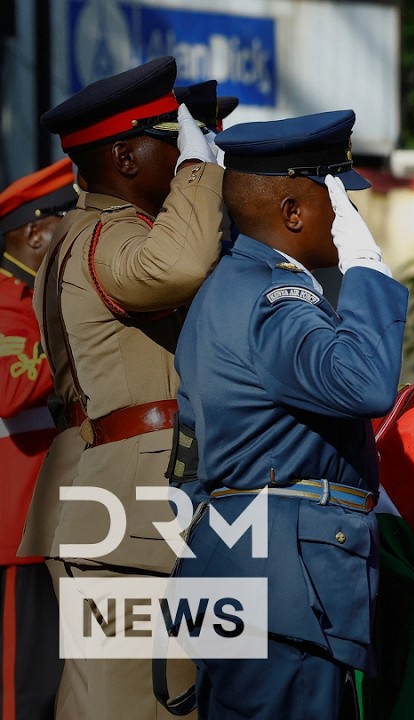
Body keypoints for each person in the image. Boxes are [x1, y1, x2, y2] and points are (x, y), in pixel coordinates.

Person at [168, 110, 407, 719]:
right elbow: (366, 384)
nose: (351, 220)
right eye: (341, 204)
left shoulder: (228, 287)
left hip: (244, 569)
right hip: (289, 588)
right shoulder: (278, 298)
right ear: (294, 212)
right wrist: (368, 270)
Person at [29, 55, 224, 719]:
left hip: (112, 491)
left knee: (120, 694)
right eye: (172, 143)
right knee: (141, 700)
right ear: (125, 157)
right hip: (131, 504)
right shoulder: (110, 236)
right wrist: (203, 175)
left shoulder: (78, 234)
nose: (183, 158)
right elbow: (181, 264)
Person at [0, 159, 77, 720]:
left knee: (56, 689)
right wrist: (81, 339)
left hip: (60, 525)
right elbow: (8, 389)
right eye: (68, 221)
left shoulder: (40, 301)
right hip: (16, 530)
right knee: (21, 694)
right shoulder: (6, 303)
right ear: (34, 232)